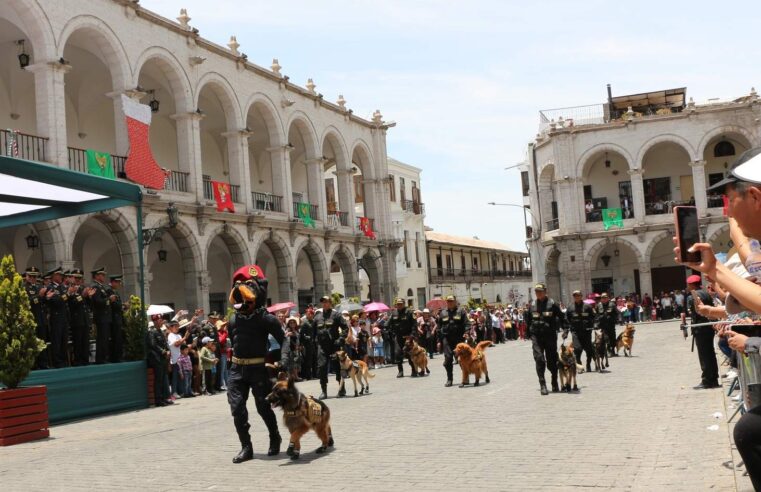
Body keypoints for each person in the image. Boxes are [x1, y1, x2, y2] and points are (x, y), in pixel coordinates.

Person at [226, 264, 284, 463]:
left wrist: (282, 360)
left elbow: (285, 340)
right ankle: (246, 447)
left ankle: (274, 436)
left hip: (258, 369)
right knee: (237, 409)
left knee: (263, 407)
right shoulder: (233, 319)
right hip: (236, 370)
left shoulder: (266, 319)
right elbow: (232, 343)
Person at [526, 283, 566, 395]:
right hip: (536, 336)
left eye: (540, 291)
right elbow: (528, 320)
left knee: (552, 362)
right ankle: (542, 384)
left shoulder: (553, 304)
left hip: (550, 336)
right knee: (539, 359)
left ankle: (554, 381)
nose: (538, 293)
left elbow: (562, 318)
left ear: (545, 291)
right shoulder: (532, 305)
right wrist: (528, 333)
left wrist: (566, 329)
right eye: (536, 291)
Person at [681, 275, 719, 389]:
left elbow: (693, 312)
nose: (687, 287)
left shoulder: (692, 296)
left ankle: (707, 380)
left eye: (688, 285)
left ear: (692, 285)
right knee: (710, 353)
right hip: (709, 326)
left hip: (700, 328)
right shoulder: (706, 293)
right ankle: (714, 378)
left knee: (704, 355)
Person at [313, 295, 347, 399]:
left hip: (334, 346)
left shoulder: (336, 315)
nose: (324, 303)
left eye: (326, 302)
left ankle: (341, 389)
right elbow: (314, 331)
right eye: (323, 302)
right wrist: (315, 342)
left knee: (337, 367)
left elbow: (345, 328)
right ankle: (324, 391)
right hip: (322, 347)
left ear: (330, 303)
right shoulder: (318, 317)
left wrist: (340, 340)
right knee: (322, 368)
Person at [436, 295, 467, 387]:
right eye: (448, 301)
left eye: (451, 301)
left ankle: (465, 378)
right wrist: (438, 341)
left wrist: (467, 332)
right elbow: (438, 328)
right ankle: (449, 379)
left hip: (459, 339)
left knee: (462, 360)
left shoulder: (461, 311)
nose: (450, 302)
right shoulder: (443, 313)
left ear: (455, 301)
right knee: (448, 359)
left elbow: (467, 323)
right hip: (447, 339)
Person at [45, 267, 70, 368]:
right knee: (57, 340)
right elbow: (57, 302)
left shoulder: (62, 287)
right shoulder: (50, 288)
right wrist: (68, 294)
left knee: (64, 340)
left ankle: (64, 360)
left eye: (61, 275)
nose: (61, 277)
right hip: (56, 318)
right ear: (53, 276)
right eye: (58, 275)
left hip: (64, 317)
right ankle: (57, 362)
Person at [25, 267, 49, 369]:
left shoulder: (39, 287)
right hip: (32, 319)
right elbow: (27, 302)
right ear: (27, 276)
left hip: (41, 318)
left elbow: (44, 303)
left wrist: (46, 297)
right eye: (31, 276)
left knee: (42, 342)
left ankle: (43, 363)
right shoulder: (24, 287)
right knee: (33, 343)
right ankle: (34, 364)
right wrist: (39, 296)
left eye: (34, 276)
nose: (33, 278)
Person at [387, 297, 417, 378]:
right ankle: (400, 371)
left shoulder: (409, 312)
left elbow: (414, 325)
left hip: (408, 337)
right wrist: (392, 332)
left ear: (404, 304)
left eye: (400, 304)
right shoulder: (394, 313)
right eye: (397, 304)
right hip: (398, 337)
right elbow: (388, 324)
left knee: (410, 354)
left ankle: (414, 370)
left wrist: (412, 335)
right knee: (397, 354)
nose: (399, 305)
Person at [146, 317, 172, 407]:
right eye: (160, 320)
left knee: (163, 379)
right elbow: (153, 344)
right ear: (155, 321)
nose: (162, 322)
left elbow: (166, 343)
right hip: (157, 359)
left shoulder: (160, 331)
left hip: (163, 359)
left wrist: (168, 350)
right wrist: (163, 351)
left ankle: (164, 398)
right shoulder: (151, 332)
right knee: (158, 380)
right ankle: (158, 400)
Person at [567, 290, 595, 372]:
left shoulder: (587, 306)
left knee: (589, 349)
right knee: (577, 349)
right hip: (576, 332)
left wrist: (593, 325)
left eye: (578, 295)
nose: (577, 297)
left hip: (586, 331)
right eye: (575, 296)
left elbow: (593, 317)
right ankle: (579, 366)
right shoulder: (570, 307)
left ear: (581, 296)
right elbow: (567, 319)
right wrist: (568, 328)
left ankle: (588, 364)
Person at [90, 267, 113, 364]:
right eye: (101, 275)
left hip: (105, 316)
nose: (103, 277)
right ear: (96, 276)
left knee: (105, 338)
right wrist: (108, 300)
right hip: (101, 316)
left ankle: (104, 357)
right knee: (102, 338)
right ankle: (100, 359)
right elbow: (97, 301)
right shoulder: (95, 286)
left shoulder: (101, 287)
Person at [167, 320, 190, 398]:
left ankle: (181, 392)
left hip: (181, 360)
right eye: (175, 326)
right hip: (175, 360)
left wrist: (186, 341)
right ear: (171, 327)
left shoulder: (179, 335)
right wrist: (184, 338)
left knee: (181, 377)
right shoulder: (170, 335)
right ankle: (174, 392)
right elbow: (176, 344)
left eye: (178, 326)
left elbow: (182, 345)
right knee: (175, 377)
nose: (177, 328)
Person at [108, 274, 125, 363]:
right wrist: (122, 306)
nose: (119, 284)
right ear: (113, 282)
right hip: (114, 319)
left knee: (119, 339)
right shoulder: (109, 291)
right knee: (115, 339)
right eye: (117, 282)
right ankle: (115, 358)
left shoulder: (115, 292)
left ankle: (119, 356)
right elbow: (114, 305)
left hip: (118, 318)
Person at [299, 307, 316, 380]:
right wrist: (306, 337)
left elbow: (315, 332)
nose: (308, 315)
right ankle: (308, 376)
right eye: (307, 313)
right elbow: (301, 334)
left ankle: (315, 374)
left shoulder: (314, 322)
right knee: (307, 360)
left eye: (310, 314)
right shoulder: (304, 322)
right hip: (307, 344)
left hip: (313, 343)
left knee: (314, 359)